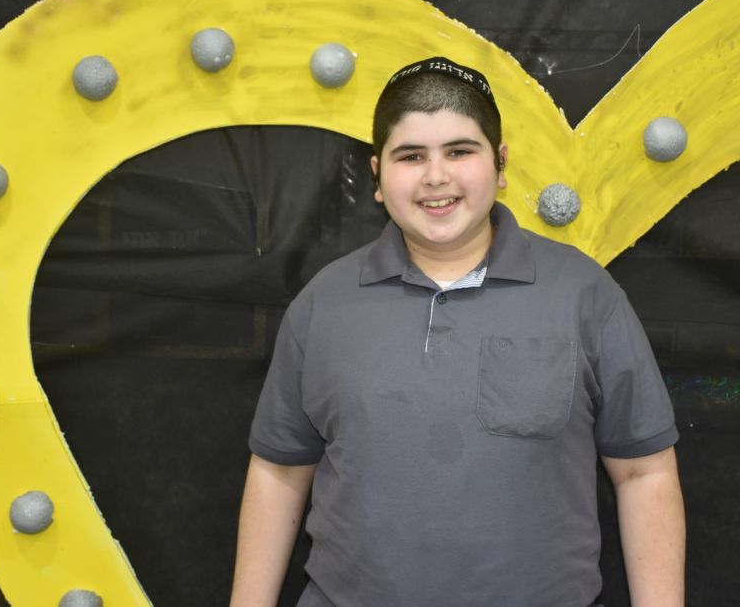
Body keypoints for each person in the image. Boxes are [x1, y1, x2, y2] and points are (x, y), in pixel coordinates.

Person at [231, 57, 685, 607]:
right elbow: (279, 472)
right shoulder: (323, 303)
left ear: (500, 164)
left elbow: (642, 472)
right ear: (377, 176)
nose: (436, 176)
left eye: (459, 151)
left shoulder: (584, 295)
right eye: (410, 156)